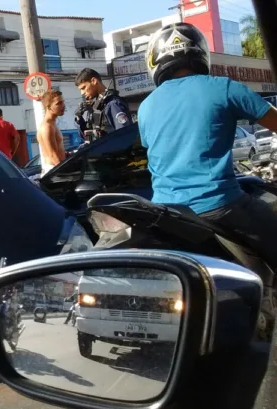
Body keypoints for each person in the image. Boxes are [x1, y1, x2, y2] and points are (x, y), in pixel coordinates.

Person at [140, 22, 277, 268]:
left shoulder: (145, 107)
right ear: (199, 51)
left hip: (167, 213)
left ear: (154, 59)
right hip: (220, 206)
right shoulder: (223, 87)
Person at [74, 68, 134, 143]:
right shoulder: (95, 107)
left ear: (94, 81)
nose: (82, 93)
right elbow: (88, 137)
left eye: (83, 88)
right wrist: (79, 118)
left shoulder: (113, 104)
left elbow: (125, 137)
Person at [37, 89, 67, 176]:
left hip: (56, 170)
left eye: (63, 102)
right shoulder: (47, 127)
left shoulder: (52, 124)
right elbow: (53, 156)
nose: (63, 106)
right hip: (55, 171)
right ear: (48, 106)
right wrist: (66, 173)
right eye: (58, 103)